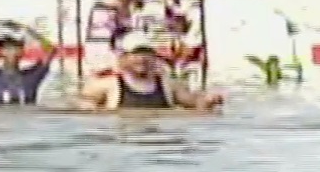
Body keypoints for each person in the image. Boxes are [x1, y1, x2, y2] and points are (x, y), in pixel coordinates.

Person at [77, 30, 225, 112]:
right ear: (124, 57)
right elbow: (80, 103)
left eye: (147, 53)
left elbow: (194, 104)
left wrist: (209, 101)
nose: (142, 58)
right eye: (136, 53)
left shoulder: (170, 86)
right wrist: (88, 107)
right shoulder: (107, 86)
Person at [0, 21, 57, 107]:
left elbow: (51, 50)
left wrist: (29, 31)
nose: (11, 52)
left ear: (21, 52)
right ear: (1, 52)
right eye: (7, 48)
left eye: (15, 48)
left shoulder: (32, 76)